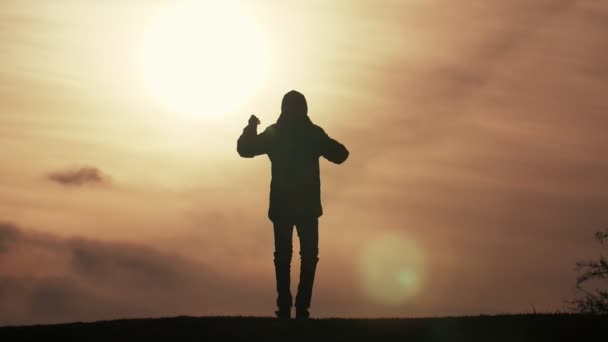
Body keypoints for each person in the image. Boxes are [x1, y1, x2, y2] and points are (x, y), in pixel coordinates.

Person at [237, 90, 349, 319]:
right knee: (304, 256)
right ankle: (299, 307)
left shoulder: (277, 133)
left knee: (285, 257)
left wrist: (250, 128)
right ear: (304, 109)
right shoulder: (311, 134)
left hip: (284, 205)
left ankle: (288, 307)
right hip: (304, 206)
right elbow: (341, 154)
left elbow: (245, 149)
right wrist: (322, 140)